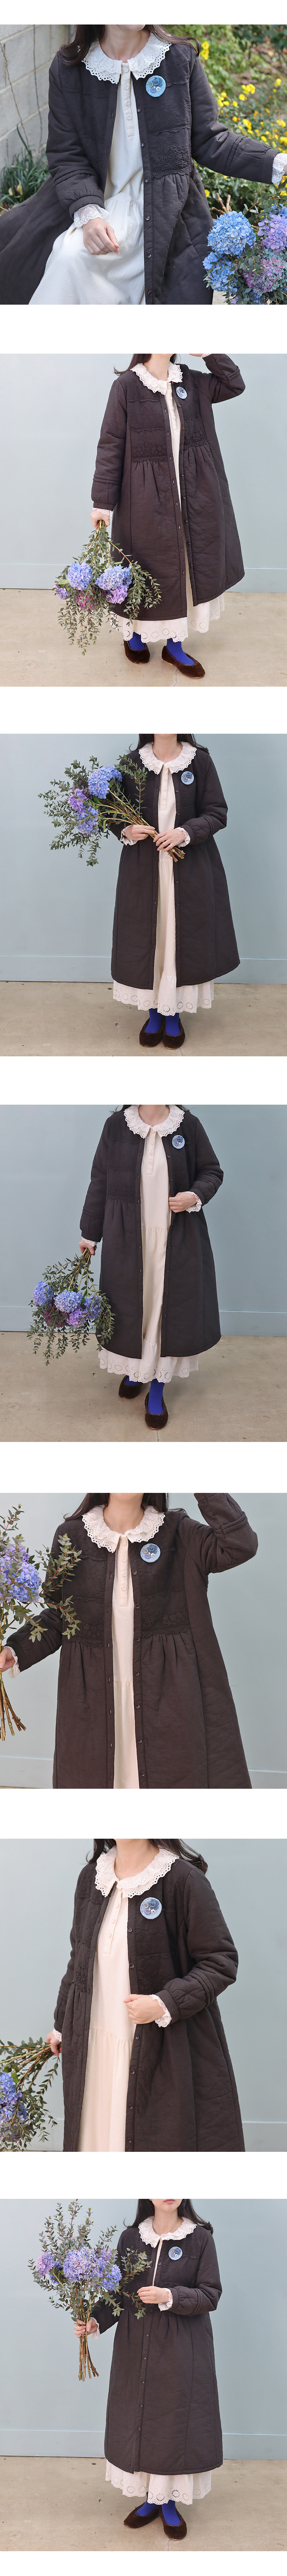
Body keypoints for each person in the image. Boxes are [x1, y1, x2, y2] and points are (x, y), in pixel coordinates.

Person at [0, 25, 284, 308]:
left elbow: (212, 140)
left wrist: (277, 164)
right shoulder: (70, 68)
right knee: (69, 259)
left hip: (165, 213)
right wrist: (88, 215)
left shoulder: (179, 58)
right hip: (97, 206)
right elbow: (68, 155)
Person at [3, 1489, 258, 1788]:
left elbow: (240, 1545)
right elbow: (60, 1616)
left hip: (169, 1697)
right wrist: (15, 1649)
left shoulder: (180, 1532)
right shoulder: (71, 1536)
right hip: (94, 1697)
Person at [45, 1836, 245, 2149]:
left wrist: (164, 2003)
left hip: (154, 2049)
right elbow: (79, 1959)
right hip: (92, 2046)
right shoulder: (91, 1878)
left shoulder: (183, 1880)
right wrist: (62, 2024)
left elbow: (221, 1962)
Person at [74, 2191, 223, 2540]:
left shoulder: (200, 2239)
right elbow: (117, 2292)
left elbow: (211, 2294)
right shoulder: (131, 2238)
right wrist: (95, 2320)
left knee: (172, 2421)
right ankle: (150, 2498)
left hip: (182, 2348)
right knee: (139, 2417)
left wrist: (168, 2295)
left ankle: (167, 2503)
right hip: (134, 2345)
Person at [91, 349, 245, 677]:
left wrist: (209, 352)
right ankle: (134, 635)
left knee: (188, 567)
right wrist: (102, 503)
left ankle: (174, 646)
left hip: (195, 493)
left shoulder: (191, 380)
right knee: (148, 567)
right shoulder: (127, 387)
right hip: (145, 498)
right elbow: (111, 444)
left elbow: (234, 384)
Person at [79, 1097, 223, 1425]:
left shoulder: (188, 1125)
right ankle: (136, 1371)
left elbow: (212, 1171)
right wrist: (90, 1233)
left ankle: (157, 1387)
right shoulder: (117, 1126)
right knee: (132, 1307)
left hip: (177, 1237)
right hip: (128, 1237)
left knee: (165, 1309)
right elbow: (100, 1180)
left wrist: (195, 1195)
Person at [111, 728, 239, 1047]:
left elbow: (217, 812)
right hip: (143, 870)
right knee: (149, 940)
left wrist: (185, 833)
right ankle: (154, 1013)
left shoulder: (200, 761)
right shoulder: (132, 762)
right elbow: (112, 812)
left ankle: (173, 1015)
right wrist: (126, 828)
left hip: (190, 869)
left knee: (179, 939)